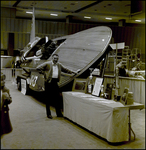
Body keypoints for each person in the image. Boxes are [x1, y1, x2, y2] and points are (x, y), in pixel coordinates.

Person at [36, 53, 79, 119]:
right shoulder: (48, 64)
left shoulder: (59, 65)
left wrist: (74, 72)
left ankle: (58, 113)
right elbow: (38, 68)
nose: (55, 60)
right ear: (52, 58)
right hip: (48, 82)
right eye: (54, 58)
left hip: (55, 82)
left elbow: (66, 69)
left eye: (57, 59)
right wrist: (44, 74)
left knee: (57, 98)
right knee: (48, 98)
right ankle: (48, 114)